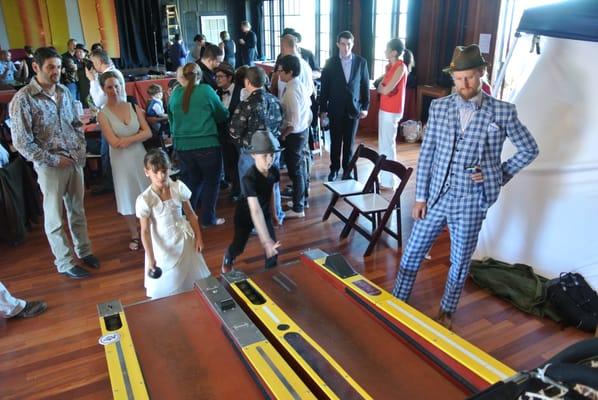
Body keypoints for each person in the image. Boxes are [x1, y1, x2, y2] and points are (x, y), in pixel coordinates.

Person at [391, 44, 539, 329]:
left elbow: (529, 149)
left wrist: (496, 173)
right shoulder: (440, 106)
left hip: (472, 201)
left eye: (469, 77)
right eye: (458, 78)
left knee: (459, 263)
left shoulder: (503, 112)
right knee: (412, 253)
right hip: (436, 196)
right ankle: (396, 303)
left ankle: (446, 314)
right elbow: (428, 154)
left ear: (482, 73)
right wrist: (420, 197)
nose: (463, 84)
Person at [10, 47, 100, 279]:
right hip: (50, 166)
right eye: (51, 67)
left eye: (59, 67)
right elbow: (21, 143)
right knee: (54, 217)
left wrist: (80, 149)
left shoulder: (63, 91)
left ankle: (84, 250)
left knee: (77, 210)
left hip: (73, 160)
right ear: (36, 67)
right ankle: (65, 262)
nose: (56, 72)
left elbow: (74, 122)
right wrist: (52, 159)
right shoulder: (23, 99)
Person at [136, 149, 211, 299]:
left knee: (191, 275)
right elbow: (144, 232)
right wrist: (151, 258)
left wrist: (199, 238)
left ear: (169, 168)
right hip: (163, 245)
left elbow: (191, 214)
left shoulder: (178, 188)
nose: (161, 176)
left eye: (164, 171)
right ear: (147, 172)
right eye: (156, 172)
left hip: (184, 240)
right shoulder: (145, 199)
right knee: (169, 281)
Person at [168, 63, 229, 226]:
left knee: (191, 182)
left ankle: (186, 216)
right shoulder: (206, 91)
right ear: (199, 76)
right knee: (211, 181)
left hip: (182, 146)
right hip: (207, 144)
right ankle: (208, 219)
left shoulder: (175, 94)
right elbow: (222, 115)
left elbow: (171, 120)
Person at [97, 71, 152, 251]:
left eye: (117, 85)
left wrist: (126, 140)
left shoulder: (133, 107)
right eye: (110, 87)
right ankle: (135, 234)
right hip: (121, 161)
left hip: (140, 156)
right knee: (127, 195)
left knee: (147, 192)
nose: (115, 89)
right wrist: (136, 136)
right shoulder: (102, 114)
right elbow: (113, 142)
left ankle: (151, 229)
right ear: (103, 89)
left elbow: (148, 132)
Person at [229, 66, 285, 224]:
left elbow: (234, 130)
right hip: (273, 148)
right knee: (272, 185)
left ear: (247, 82)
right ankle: (277, 215)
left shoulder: (246, 104)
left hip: (252, 151)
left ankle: (255, 223)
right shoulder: (275, 100)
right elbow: (281, 121)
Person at [222, 131, 282, 273]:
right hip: (245, 215)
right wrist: (265, 241)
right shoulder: (248, 178)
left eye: (272, 154)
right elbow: (254, 210)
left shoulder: (274, 170)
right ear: (253, 155)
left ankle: (271, 275)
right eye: (265, 155)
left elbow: (271, 191)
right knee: (239, 246)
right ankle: (228, 257)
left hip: (265, 211)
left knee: (273, 251)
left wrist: (274, 213)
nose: (269, 159)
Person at [320, 31, 370, 182]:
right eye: (343, 44)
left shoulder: (361, 62)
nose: (346, 47)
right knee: (335, 142)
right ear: (337, 44)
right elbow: (324, 89)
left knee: (349, 143)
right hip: (335, 109)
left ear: (352, 44)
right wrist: (323, 110)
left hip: (353, 110)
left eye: (349, 44)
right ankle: (334, 169)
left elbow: (365, 87)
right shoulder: (330, 62)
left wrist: (365, 107)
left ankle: (347, 170)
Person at [86, 49, 126, 195]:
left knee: (106, 152)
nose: (93, 66)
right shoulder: (112, 73)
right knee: (107, 151)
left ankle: (110, 183)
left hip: (112, 118)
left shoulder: (110, 76)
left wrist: (92, 81)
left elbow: (98, 101)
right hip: (114, 116)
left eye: (94, 63)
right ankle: (111, 182)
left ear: (99, 62)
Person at [376, 38, 413, 189]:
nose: (385, 51)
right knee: (383, 144)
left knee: (388, 145)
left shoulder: (400, 66)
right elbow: (380, 87)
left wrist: (383, 89)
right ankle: (384, 178)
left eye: (387, 48)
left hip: (392, 110)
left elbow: (384, 88)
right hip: (385, 108)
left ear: (394, 52)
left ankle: (388, 181)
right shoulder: (390, 66)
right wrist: (383, 88)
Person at [278, 55, 311, 218]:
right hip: (303, 132)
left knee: (295, 171)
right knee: (300, 169)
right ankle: (302, 200)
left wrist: (283, 135)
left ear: (290, 72)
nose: (278, 73)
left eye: (281, 71)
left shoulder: (291, 91)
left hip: (295, 134)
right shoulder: (298, 85)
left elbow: (294, 121)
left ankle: (298, 208)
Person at [215, 63, 242, 200]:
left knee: (239, 163)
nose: (217, 79)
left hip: (238, 135)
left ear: (230, 77)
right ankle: (235, 188)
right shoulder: (216, 92)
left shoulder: (240, 91)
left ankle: (239, 191)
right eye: (216, 76)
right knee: (230, 163)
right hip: (223, 135)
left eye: (221, 76)